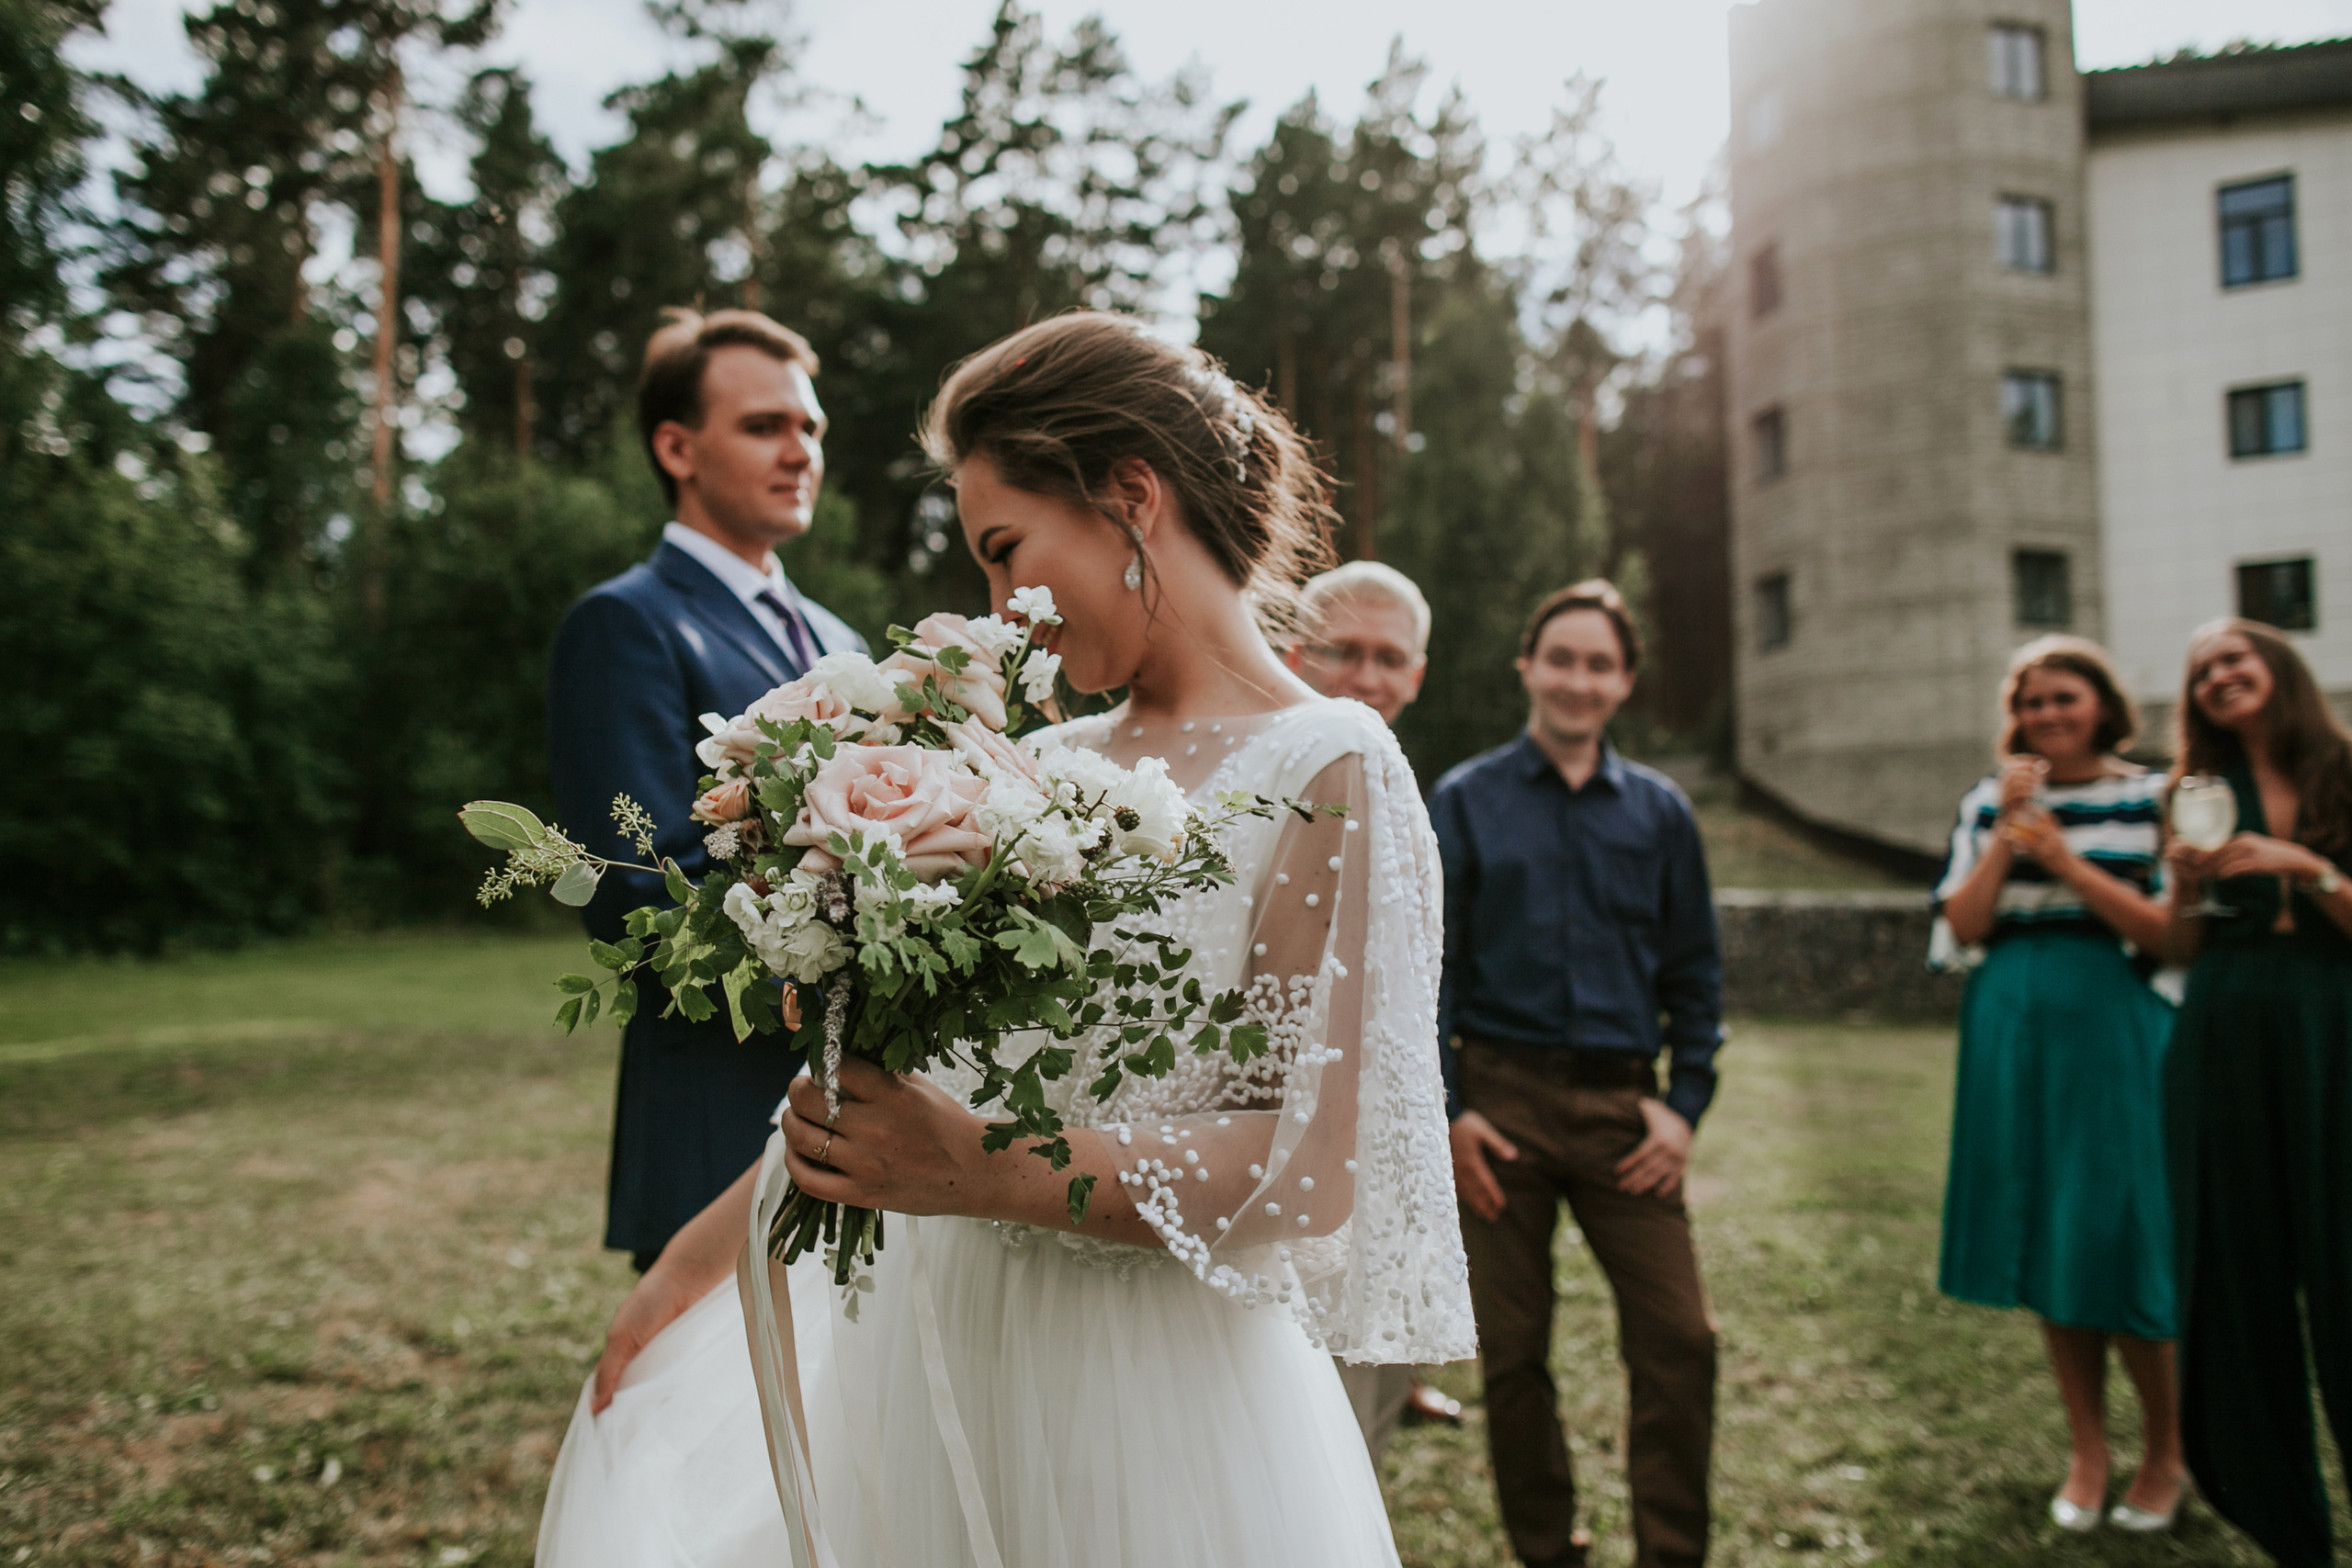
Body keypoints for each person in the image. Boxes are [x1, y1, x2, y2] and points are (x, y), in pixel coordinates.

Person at [533, 311, 1476, 1568]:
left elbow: (1305, 1170)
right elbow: (889, 1084)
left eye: (1003, 550)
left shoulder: (1330, 766)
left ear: (1129, 498)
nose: (1000, 613)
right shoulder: (1030, 765)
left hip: (1155, 1394)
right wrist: (687, 1276)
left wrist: (984, 1168)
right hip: (940, 1354)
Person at [547, 308, 868, 1274]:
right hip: (716, 1109)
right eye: (765, 426)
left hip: (863, 1116)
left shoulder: (838, 638)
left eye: (809, 428)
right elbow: (636, 889)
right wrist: (850, 967)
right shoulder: (624, 626)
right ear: (677, 447)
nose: (799, 451)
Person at [1432, 581, 1723, 1568]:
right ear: (1527, 666)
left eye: (1599, 663)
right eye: (1560, 657)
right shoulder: (1464, 799)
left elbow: (1697, 975)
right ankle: (1547, 1550)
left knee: (1681, 1341)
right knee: (1512, 1356)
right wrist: (1452, 1110)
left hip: (1622, 1113)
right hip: (1498, 1111)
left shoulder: (1661, 813)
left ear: (1625, 682)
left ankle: (1671, 1553)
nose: (1577, 679)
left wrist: (1683, 1109)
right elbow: (1431, 971)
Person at [1929, 636, 2183, 1534]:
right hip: (2008, 1022)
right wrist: (2008, 832)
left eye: (2062, 698)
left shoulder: (2153, 798)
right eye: (2031, 703)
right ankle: (2087, 1448)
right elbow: (1961, 925)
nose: (2045, 715)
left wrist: (2069, 863)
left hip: (2111, 1025)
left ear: (2102, 705)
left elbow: (2172, 937)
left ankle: (2165, 1453)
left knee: (2116, 1231)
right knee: (2045, 1229)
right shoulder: (1988, 801)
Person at [2157, 619, 2352, 1568]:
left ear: (2277, 669)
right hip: (2225, 1023)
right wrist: (2186, 887)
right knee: (2237, 1273)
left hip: (2334, 1020)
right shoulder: (2191, 793)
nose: (2218, 677)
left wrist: (2304, 867)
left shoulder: (2342, 771)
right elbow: (2179, 946)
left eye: (2234, 658)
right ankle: (2288, 1530)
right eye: (2201, 672)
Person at [1282, 560, 1464, 1459]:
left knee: (1361, 1405)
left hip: (1382, 1132)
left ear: (1418, 675)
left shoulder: (1404, 787)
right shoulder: (1270, 772)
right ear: (1292, 649)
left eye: (1387, 657)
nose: (1364, 676)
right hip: (1274, 1136)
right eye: (1340, 650)